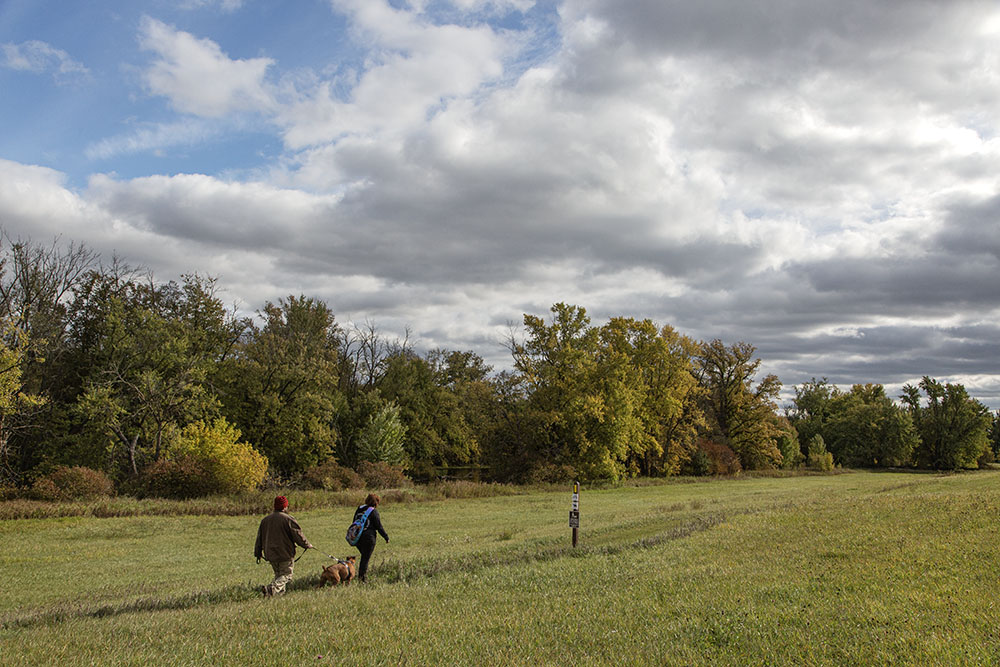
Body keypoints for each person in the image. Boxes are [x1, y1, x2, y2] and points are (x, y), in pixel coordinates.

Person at [254, 495, 313, 596]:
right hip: (285, 552)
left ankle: (278, 596)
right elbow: (298, 535)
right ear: (285, 506)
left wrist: (257, 553)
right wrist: (307, 545)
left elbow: (259, 538)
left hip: (270, 553)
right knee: (286, 575)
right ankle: (271, 589)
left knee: (279, 575)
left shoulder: (265, 520)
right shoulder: (288, 519)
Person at [353, 493, 389, 583]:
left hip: (357, 537)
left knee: (364, 556)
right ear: (376, 502)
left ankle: (358, 575)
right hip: (369, 538)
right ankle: (362, 579)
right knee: (365, 558)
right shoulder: (373, 511)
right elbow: (379, 526)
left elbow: (354, 522)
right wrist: (386, 537)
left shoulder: (359, 509)